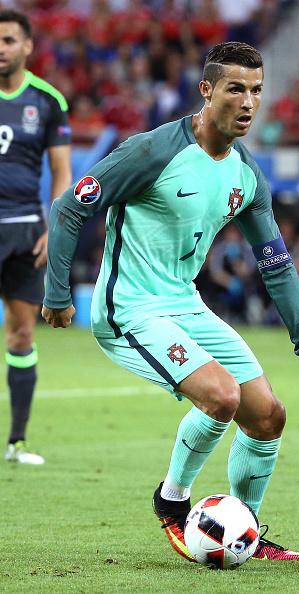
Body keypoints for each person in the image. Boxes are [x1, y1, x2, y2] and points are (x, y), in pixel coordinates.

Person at [42, 42, 299, 562]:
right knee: (221, 397)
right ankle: (172, 501)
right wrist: (58, 292)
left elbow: (276, 263)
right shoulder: (152, 152)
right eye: (235, 89)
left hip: (185, 305)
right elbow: (69, 208)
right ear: (206, 90)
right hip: (130, 309)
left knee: (268, 416)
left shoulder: (245, 172)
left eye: (256, 90)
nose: (248, 102)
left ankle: (245, 532)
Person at [0, 10, 72, 464]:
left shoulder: (47, 100)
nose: (0, 48)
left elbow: (62, 171)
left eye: (8, 40)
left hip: (25, 230)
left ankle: (16, 443)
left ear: (27, 45)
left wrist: (56, 227)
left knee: (23, 334)